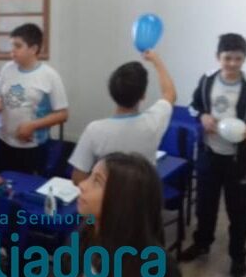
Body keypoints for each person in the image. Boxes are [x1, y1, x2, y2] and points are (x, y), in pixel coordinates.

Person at [29, 153, 198, 277]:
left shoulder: (154, 263)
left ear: (122, 201)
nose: (82, 185)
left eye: (97, 181)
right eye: (90, 176)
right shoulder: (83, 235)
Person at [180, 33, 246, 277]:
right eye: (227, 58)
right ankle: (202, 243)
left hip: (239, 161)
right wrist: (202, 116)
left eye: (237, 59)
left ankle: (238, 256)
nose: (232, 63)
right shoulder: (207, 80)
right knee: (205, 206)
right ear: (218, 57)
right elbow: (193, 106)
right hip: (209, 155)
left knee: (240, 212)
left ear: (244, 59)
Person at [69, 51, 176, 185]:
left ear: (112, 92)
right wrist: (156, 61)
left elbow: (78, 178)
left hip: (108, 197)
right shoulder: (153, 123)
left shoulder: (94, 130)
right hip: (143, 195)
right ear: (143, 95)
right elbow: (170, 94)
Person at [0, 23, 68, 173]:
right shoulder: (7, 68)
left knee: (28, 183)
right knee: (3, 181)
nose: (12, 50)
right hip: (2, 139)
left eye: (18, 46)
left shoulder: (49, 76)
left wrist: (32, 125)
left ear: (33, 49)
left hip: (32, 145)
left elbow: (63, 114)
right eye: (12, 45)